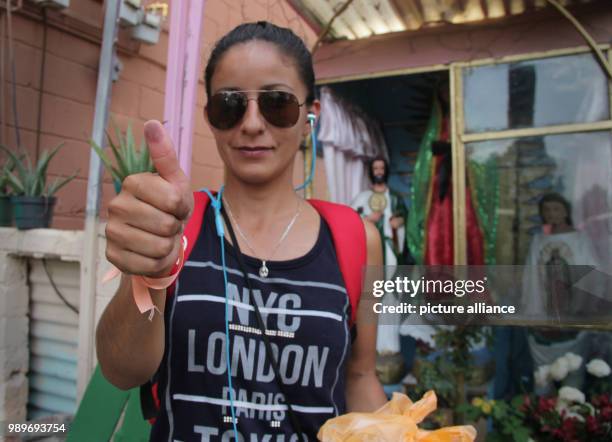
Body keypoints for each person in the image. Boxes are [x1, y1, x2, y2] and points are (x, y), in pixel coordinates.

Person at [96, 21, 386, 441]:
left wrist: (399, 430)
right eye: (230, 105)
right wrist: (149, 275)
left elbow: (361, 377)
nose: (251, 124)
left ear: (310, 116)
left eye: (277, 104)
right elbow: (121, 370)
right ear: (210, 117)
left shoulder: (358, 241)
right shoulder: (174, 226)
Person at [351, 156, 407, 267]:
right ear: (371, 172)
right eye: (375, 168)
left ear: (386, 171)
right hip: (370, 246)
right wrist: (367, 219)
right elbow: (350, 219)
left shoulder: (394, 197)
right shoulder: (362, 198)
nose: (379, 172)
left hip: (390, 245)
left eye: (382, 168)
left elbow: (405, 215)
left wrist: (399, 221)